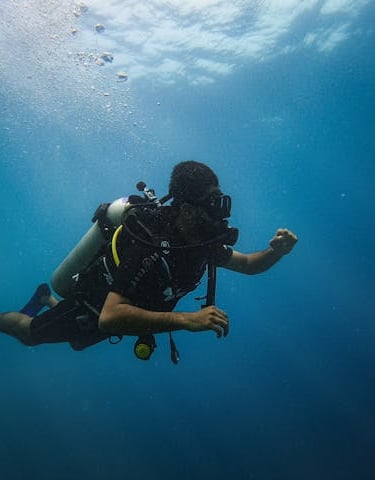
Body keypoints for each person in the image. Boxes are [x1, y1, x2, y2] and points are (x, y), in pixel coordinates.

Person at [0, 161, 297, 362]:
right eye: (213, 203)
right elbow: (110, 317)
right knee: (29, 334)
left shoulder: (201, 243)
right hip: (90, 306)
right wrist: (187, 320)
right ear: (186, 208)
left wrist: (276, 252)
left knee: (78, 344)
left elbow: (247, 264)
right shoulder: (151, 244)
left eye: (223, 202)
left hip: (128, 313)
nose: (221, 213)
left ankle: (45, 298)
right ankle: (22, 312)